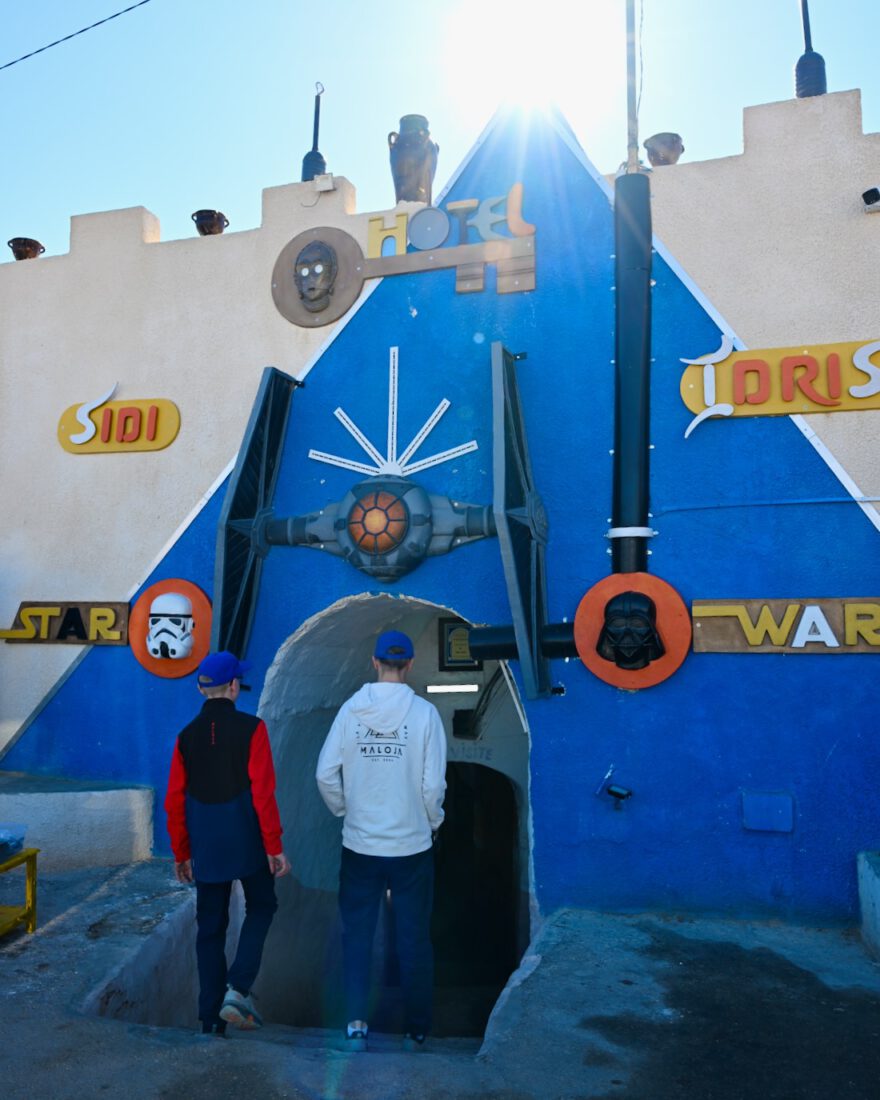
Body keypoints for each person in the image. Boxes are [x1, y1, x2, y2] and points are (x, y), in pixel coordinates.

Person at [316, 629, 447, 1052]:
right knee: (413, 938)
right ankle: (417, 1029)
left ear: (374, 662)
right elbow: (432, 786)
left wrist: (345, 811)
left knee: (356, 935)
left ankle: (355, 1022)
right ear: (409, 665)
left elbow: (324, 774)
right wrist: (432, 822)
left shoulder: (350, 711)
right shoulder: (425, 714)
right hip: (411, 848)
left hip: (360, 846)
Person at [164, 650, 290, 1036]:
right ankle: (238, 987)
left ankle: (209, 1020)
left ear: (201, 688)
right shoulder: (253, 729)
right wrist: (274, 846)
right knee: (263, 905)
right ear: (234, 686)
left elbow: (174, 800)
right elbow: (263, 794)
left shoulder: (185, 737)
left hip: (206, 847)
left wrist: (182, 852)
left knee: (210, 929)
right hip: (247, 842)